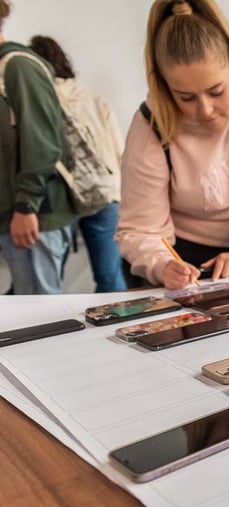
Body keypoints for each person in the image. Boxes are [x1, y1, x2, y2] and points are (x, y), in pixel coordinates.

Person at [116, 0, 229, 290]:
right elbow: (142, 228)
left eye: (216, 91)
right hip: (182, 260)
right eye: (185, 98)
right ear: (165, 87)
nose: (205, 110)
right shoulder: (150, 123)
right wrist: (163, 265)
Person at [29, 35, 126, 293]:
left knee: (50, 280)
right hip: (105, 193)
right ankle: (119, 327)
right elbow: (119, 150)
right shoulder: (94, 98)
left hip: (63, 198)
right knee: (109, 276)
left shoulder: (38, 101)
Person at [0, 1, 76, 294]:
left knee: (39, 315)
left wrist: (26, 205)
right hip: (16, 215)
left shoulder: (18, 66)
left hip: (33, 217)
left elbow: (42, 143)